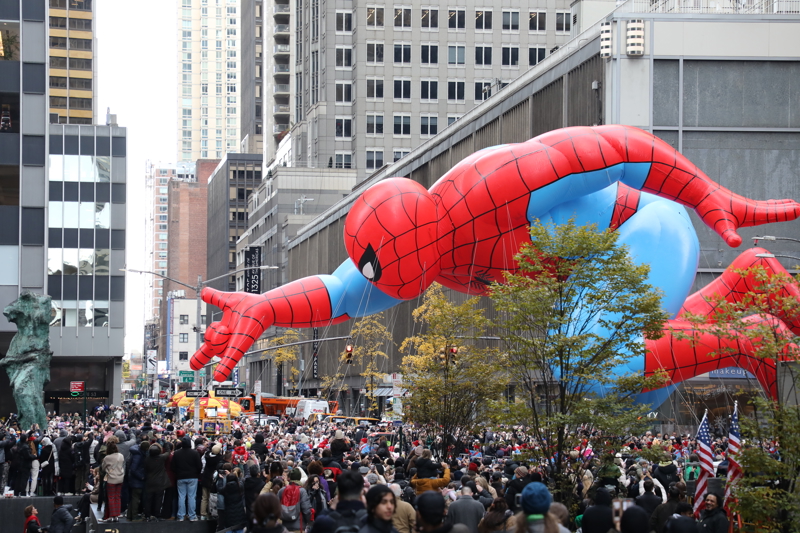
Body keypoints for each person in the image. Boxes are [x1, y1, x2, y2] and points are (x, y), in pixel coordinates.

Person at [172, 436, 202, 521]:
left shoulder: (177, 453)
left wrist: (177, 473)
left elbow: (173, 466)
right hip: (193, 476)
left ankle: (181, 516)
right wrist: (196, 473)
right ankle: (192, 515)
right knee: (191, 496)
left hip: (180, 477)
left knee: (181, 496)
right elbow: (199, 466)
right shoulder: (195, 453)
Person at [278, 466, 312, 532]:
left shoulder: (282, 490)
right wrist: (309, 522)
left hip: (284, 527)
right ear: (299, 478)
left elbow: (275, 507)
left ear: (290, 478)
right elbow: (306, 509)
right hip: (299, 526)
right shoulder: (302, 491)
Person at [143, 442, 169, 522]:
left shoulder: (147, 459)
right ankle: (157, 514)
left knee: (148, 499)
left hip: (149, 481)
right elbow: (168, 452)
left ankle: (147, 515)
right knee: (158, 499)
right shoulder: (161, 458)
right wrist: (166, 443)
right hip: (160, 482)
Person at [101, 440, 125, 522]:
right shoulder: (121, 456)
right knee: (118, 497)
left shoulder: (107, 458)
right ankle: (117, 514)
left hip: (111, 479)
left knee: (111, 497)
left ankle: (112, 515)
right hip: (120, 478)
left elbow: (103, 468)